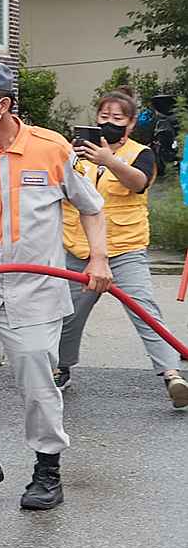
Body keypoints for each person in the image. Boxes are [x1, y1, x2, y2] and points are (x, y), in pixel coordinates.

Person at [0, 63, 111, 512]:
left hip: (35, 290)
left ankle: (47, 471)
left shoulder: (51, 148)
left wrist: (99, 258)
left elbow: (91, 206)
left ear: (2, 105)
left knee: (37, 384)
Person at [57, 89, 187, 409]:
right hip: (78, 248)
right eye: (104, 117)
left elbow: (138, 182)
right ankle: (61, 366)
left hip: (125, 248)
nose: (109, 123)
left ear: (130, 124)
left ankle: (172, 374)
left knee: (143, 308)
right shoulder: (75, 153)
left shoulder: (141, 152)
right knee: (68, 314)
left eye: (117, 118)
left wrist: (109, 161)